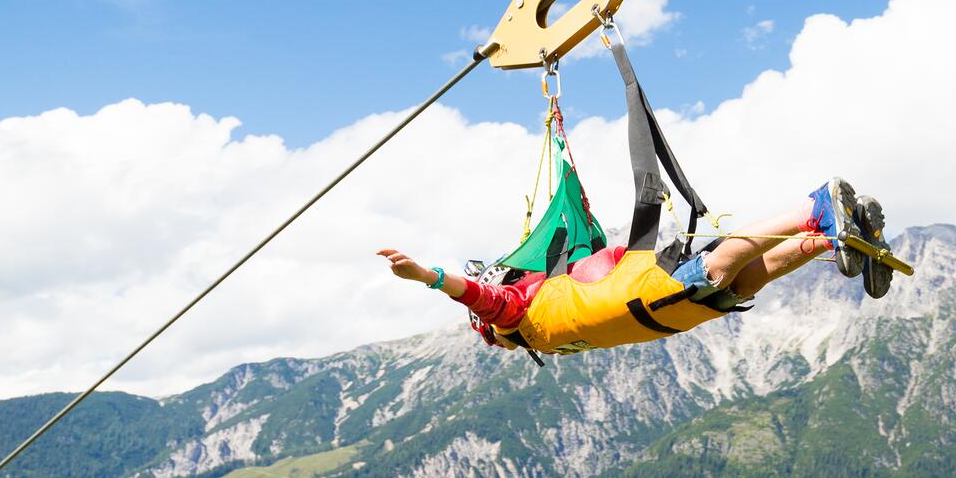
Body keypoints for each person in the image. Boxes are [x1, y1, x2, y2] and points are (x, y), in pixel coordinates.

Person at [378, 178, 893, 357]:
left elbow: (487, 298)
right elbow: (490, 300)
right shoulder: (524, 321)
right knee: (728, 274)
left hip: (654, 309)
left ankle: (821, 223)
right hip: (646, 303)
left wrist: (432, 278)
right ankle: (823, 225)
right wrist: (435, 279)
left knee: (728, 274)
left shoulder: (529, 323)